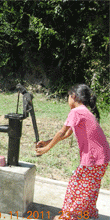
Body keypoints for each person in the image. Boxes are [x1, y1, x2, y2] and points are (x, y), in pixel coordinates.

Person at [35, 84, 110, 220]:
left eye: (68, 97)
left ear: (73, 96)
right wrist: (47, 141)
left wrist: (46, 149)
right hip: (102, 157)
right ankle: (89, 215)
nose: (68, 101)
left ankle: (68, 217)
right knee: (90, 188)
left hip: (93, 158)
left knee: (76, 185)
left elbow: (61, 132)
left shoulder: (76, 112)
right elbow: (66, 134)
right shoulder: (84, 111)